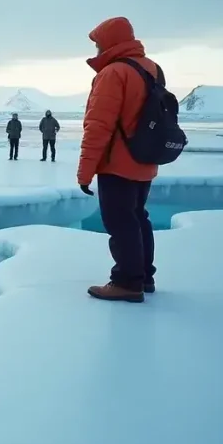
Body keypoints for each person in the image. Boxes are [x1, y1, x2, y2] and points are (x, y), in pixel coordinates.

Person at [78, 16, 163, 303]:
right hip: (145, 158)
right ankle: (144, 276)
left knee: (120, 221)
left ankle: (127, 282)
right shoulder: (151, 68)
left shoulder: (113, 73)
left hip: (118, 163)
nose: (97, 49)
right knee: (138, 217)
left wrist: (85, 171)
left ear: (109, 42)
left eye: (98, 43)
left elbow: (98, 125)